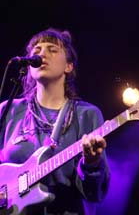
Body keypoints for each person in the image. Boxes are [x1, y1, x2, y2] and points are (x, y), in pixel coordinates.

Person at [0, 28, 109, 215]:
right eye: (36, 51)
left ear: (69, 66)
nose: (42, 54)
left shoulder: (87, 115)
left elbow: (95, 195)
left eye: (52, 49)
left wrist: (91, 164)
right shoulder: (8, 110)